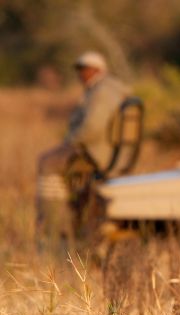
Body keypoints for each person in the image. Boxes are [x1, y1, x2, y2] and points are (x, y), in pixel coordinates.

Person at [36, 51, 130, 248]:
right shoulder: (105, 88)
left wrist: (69, 142)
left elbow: (92, 128)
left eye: (84, 69)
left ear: (97, 70)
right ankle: (68, 221)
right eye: (79, 69)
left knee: (48, 162)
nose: (81, 74)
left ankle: (55, 223)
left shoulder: (102, 91)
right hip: (102, 150)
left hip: (96, 152)